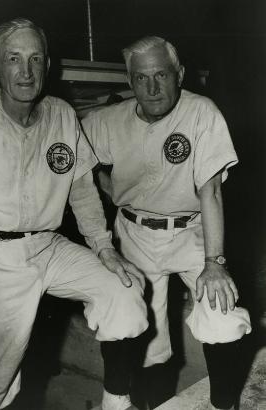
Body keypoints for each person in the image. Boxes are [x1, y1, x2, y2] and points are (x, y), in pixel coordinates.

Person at [0, 18, 149, 410]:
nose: (26, 70)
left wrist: (104, 248)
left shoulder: (62, 114)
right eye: (14, 59)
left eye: (36, 58)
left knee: (123, 291)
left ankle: (116, 403)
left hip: (48, 245)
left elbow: (82, 190)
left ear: (48, 65)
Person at [81, 36, 252, 410]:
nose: (152, 87)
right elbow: (77, 158)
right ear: (130, 81)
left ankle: (225, 405)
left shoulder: (201, 113)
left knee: (222, 316)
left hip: (191, 231)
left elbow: (212, 192)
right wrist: (109, 189)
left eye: (161, 74)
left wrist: (215, 263)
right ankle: (128, 402)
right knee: (142, 338)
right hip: (134, 234)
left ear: (180, 75)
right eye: (141, 78)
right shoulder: (108, 121)